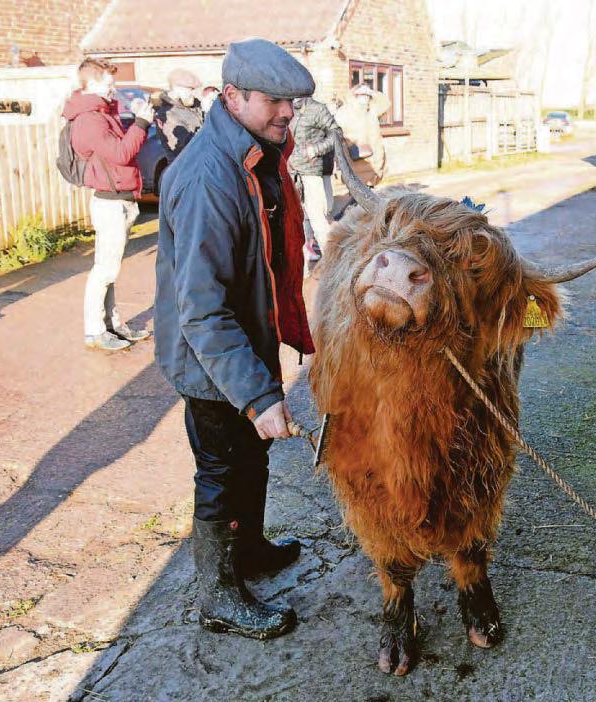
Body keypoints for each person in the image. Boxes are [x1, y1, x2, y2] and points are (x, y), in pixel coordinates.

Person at [154, 38, 315, 640]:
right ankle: (217, 593)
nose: (286, 114)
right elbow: (201, 309)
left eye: (292, 103)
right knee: (222, 469)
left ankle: (250, 552)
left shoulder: (257, 152)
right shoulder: (206, 178)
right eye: (274, 101)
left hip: (250, 340)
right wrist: (257, 394)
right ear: (232, 97)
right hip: (213, 359)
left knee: (254, 457)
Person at [62, 58, 154, 351]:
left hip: (120, 200)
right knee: (104, 269)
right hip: (109, 203)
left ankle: (112, 324)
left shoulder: (102, 113)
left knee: (110, 268)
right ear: (90, 83)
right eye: (107, 82)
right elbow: (120, 153)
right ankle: (94, 330)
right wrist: (141, 123)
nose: (113, 86)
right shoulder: (90, 119)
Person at [288, 96, 337, 272]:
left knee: (319, 220)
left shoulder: (317, 109)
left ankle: (334, 266)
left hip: (312, 171)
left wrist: (315, 150)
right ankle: (304, 266)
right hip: (291, 170)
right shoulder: (286, 105)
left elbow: (336, 134)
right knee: (297, 219)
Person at [334, 83, 389, 186]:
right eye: (362, 95)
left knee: (370, 187)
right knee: (357, 187)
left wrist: (372, 92)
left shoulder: (372, 110)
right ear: (356, 96)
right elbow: (336, 133)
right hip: (354, 157)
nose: (365, 98)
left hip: (374, 157)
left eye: (367, 96)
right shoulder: (346, 111)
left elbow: (386, 103)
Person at [155, 69, 204, 161]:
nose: (194, 94)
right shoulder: (167, 113)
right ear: (177, 89)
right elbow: (182, 145)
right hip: (184, 166)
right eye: (190, 89)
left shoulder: (194, 107)